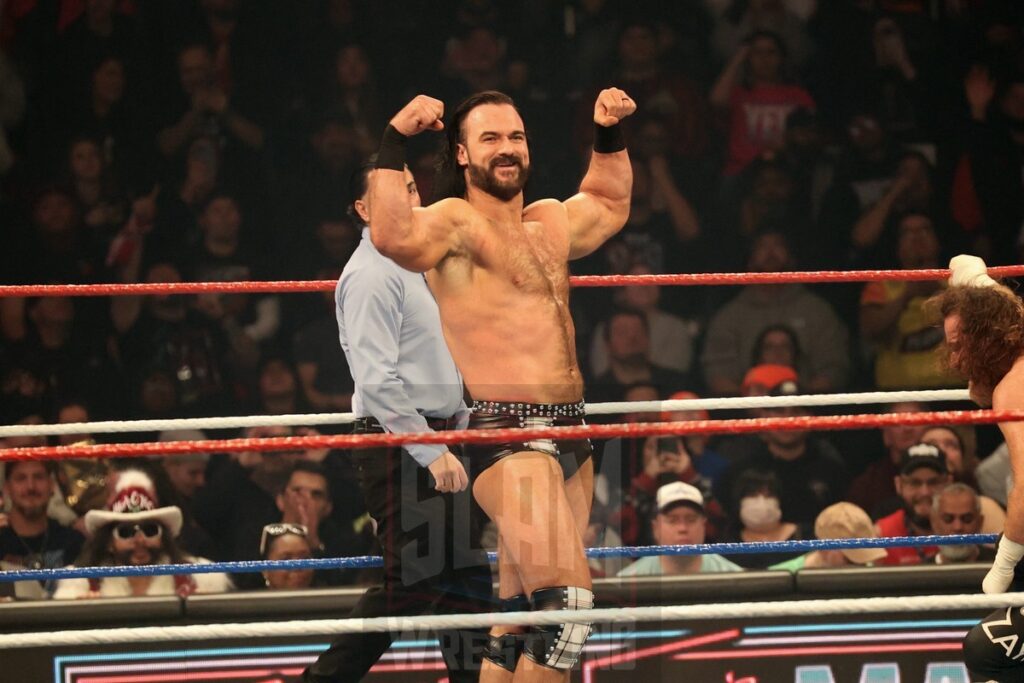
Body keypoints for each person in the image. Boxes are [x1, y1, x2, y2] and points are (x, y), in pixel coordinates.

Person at [365, 87, 635, 679]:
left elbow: (609, 204)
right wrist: (394, 139)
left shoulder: (549, 223)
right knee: (566, 611)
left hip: (572, 433)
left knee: (517, 616)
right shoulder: (457, 224)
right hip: (508, 433)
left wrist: (607, 134)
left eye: (515, 137)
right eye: (490, 138)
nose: (506, 149)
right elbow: (391, 235)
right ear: (461, 154)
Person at [302, 159, 491, 682]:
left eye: (411, 187)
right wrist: (432, 450)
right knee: (410, 579)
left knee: (468, 586)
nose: (410, 197)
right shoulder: (368, 276)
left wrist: (459, 422)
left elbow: (439, 354)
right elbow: (377, 379)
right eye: (393, 192)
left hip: (437, 437)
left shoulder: (419, 262)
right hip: (400, 445)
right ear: (363, 209)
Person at [930, 255, 1024, 681]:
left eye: (958, 345)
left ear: (986, 339)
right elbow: (968, 266)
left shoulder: (1014, 389)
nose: (954, 358)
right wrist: (971, 277)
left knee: (986, 650)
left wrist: (1003, 564)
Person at [53, 469, 231, 598]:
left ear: (163, 537)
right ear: (109, 542)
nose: (140, 540)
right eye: (126, 532)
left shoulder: (199, 578)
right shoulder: (81, 585)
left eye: (150, 530)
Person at [617, 482, 743, 577]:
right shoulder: (629, 582)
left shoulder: (735, 579)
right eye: (673, 520)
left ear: (703, 525)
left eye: (691, 519)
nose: (683, 528)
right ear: (656, 528)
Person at [0, 460, 85, 594]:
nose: (30, 487)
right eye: (21, 478)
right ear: (6, 488)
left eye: (38, 477)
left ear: (52, 486)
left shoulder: (74, 541)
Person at [875, 443, 951, 566]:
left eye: (934, 482)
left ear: (948, 483)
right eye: (915, 483)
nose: (925, 492)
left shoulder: (963, 527)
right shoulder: (882, 534)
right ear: (899, 485)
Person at [770, 502, 887, 572]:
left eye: (866, 558)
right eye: (851, 559)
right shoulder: (778, 577)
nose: (861, 566)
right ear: (824, 549)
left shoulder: (871, 574)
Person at [929, 483, 994, 565]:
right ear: (934, 522)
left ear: (980, 522)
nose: (957, 527)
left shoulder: (1001, 566)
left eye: (967, 519)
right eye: (948, 519)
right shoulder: (918, 573)